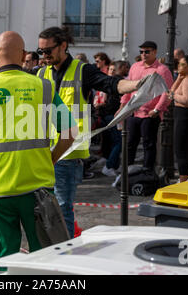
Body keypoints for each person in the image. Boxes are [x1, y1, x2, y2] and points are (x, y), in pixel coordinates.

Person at [0, 31, 77, 273]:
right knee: (44, 258)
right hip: (37, 188)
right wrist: (50, 158)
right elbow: (70, 132)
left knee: (2, 260)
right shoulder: (44, 87)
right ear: (24, 56)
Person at [37, 26, 142, 237]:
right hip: (43, 152)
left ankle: (62, 252)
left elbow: (111, 84)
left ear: (63, 46)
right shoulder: (41, 73)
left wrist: (138, 84)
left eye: (48, 51)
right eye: (41, 52)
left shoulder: (82, 70)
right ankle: (52, 248)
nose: (44, 56)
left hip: (69, 153)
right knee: (45, 208)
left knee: (63, 207)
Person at [118, 41, 174, 171]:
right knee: (130, 143)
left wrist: (157, 109)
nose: (143, 54)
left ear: (154, 52)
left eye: (147, 51)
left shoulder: (162, 70)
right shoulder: (135, 67)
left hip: (150, 114)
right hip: (133, 112)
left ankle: (147, 172)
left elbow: (167, 92)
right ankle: (127, 172)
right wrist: (122, 107)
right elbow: (128, 88)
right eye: (141, 52)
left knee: (148, 145)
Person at [168, 55, 188, 183]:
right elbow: (171, 91)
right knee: (186, 146)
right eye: (179, 64)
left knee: (181, 148)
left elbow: (186, 100)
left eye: (182, 65)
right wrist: (178, 80)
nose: (179, 66)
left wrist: (173, 95)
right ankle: (185, 176)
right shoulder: (186, 78)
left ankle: (183, 178)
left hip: (185, 114)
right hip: (186, 114)